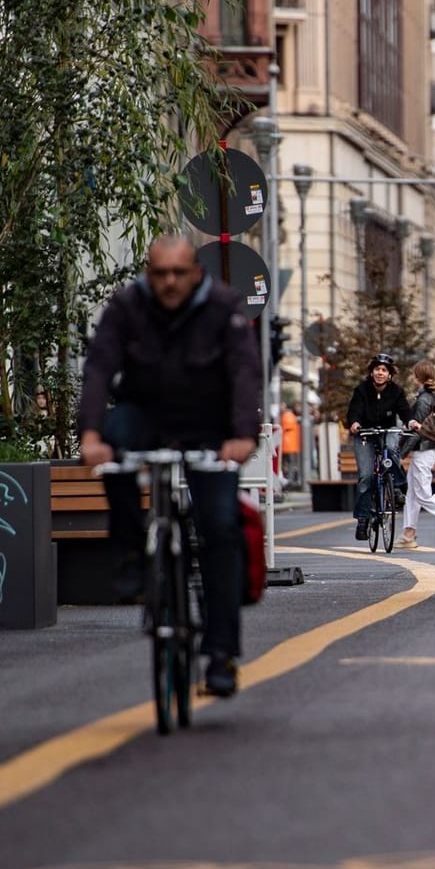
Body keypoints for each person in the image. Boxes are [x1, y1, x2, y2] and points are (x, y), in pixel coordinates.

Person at [79, 236, 260, 699]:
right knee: (116, 445)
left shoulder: (223, 307)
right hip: (148, 414)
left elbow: (244, 371)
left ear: (196, 272)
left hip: (210, 425)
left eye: (179, 272)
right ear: (148, 272)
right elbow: (99, 366)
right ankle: (132, 554)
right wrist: (91, 435)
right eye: (160, 274)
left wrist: (242, 436)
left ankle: (220, 655)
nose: (170, 282)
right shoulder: (126, 305)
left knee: (220, 530)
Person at [346, 352, 409, 541]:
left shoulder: (396, 391)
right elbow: (354, 410)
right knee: (366, 476)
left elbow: (405, 410)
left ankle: (397, 487)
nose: (380, 373)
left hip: (387, 430)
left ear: (389, 375)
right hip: (365, 433)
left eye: (384, 370)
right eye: (377, 369)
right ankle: (363, 520)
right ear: (371, 372)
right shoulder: (361, 390)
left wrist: (412, 421)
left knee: (391, 450)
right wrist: (355, 423)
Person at [401, 359, 435, 548]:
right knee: (413, 494)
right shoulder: (431, 396)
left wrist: (402, 451)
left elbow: (419, 432)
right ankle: (409, 534)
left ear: (418, 377)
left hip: (424, 449)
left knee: (422, 494)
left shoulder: (423, 400)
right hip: (426, 449)